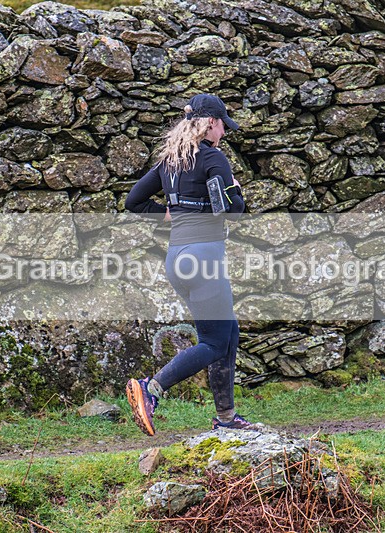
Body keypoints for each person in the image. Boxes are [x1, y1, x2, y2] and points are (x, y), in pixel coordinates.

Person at [123, 93, 254, 436]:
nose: (224, 132)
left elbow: (133, 201)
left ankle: (226, 418)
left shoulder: (170, 161)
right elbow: (234, 212)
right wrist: (236, 190)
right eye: (223, 125)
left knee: (227, 334)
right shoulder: (213, 158)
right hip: (205, 259)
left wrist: (169, 213)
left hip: (177, 260)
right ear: (211, 123)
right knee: (213, 342)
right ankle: (151, 388)